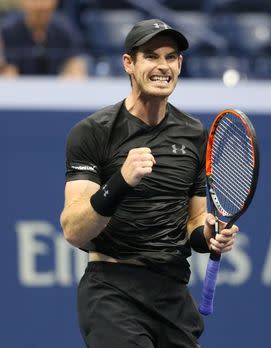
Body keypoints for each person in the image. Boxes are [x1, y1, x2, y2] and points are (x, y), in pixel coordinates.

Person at [60, 18, 238, 348]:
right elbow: (74, 230)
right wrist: (121, 181)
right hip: (112, 292)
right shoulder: (93, 132)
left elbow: (194, 221)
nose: (162, 66)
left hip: (172, 294)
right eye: (151, 56)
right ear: (129, 63)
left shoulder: (193, 134)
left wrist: (209, 234)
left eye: (171, 57)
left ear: (180, 64)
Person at [0, 0, 86, 77]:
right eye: (34, 1)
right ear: (22, 2)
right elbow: (6, 71)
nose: (40, 5)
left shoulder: (66, 29)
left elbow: (75, 66)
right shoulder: (7, 30)